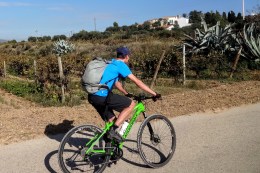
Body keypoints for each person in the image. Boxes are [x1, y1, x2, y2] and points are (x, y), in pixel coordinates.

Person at [88, 46, 160, 142]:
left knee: (112, 121)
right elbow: (137, 82)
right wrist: (154, 93)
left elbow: (116, 83)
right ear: (126, 56)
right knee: (131, 104)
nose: (129, 58)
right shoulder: (120, 65)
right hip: (102, 96)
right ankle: (113, 131)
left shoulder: (110, 62)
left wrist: (125, 93)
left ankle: (109, 153)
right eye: (128, 56)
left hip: (92, 96)